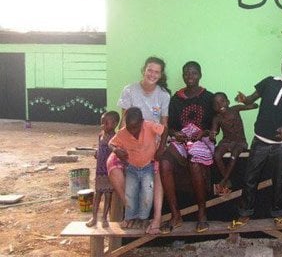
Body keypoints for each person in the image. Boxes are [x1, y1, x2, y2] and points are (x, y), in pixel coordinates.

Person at [228, 52, 282, 230]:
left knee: (279, 180)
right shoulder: (270, 81)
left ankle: (278, 213)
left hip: (281, 144)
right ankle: (245, 212)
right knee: (250, 178)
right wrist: (243, 99)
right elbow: (251, 98)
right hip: (260, 141)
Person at [107, 56, 170, 234]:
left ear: (161, 74)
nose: (152, 74)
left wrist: (161, 148)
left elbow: (164, 124)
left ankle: (155, 218)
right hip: (130, 141)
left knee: (158, 169)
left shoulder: (163, 95)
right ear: (144, 70)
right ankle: (130, 212)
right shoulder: (129, 90)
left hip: (153, 142)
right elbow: (123, 123)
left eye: (157, 71)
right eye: (150, 70)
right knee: (112, 164)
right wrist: (118, 148)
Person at [160, 61, 215, 234]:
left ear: (200, 75)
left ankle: (202, 213)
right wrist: (175, 134)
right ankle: (176, 214)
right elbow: (172, 127)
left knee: (194, 162)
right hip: (182, 140)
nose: (190, 76)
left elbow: (215, 127)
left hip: (202, 140)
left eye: (194, 73)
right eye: (186, 73)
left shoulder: (209, 97)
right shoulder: (176, 99)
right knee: (165, 162)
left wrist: (204, 132)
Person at [109, 107, 164, 229]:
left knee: (147, 194)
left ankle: (144, 218)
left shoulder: (150, 126)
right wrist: (116, 150)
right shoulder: (123, 133)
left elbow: (164, 130)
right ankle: (130, 217)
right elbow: (111, 143)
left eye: (135, 127)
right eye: (129, 127)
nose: (132, 131)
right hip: (132, 169)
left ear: (142, 122)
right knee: (130, 193)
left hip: (148, 168)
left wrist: (161, 148)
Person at [210, 91, 258, 196]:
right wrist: (212, 135)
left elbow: (255, 105)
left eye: (222, 101)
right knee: (216, 155)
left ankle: (224, 180)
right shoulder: (217, 118)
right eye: (216, 104)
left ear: (228, 102)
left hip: (240, 141)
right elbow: (214, 132)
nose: (220, 105)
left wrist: (244, 101)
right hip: (226, 141)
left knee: (234, 154)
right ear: (214, 107)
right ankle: (227, 181)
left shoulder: (235, 109)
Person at [86, 111, 119, 228]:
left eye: (106, 123)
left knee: (108, 195)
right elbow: (99, 147)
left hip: (109, 171)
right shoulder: (101, 135)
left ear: (115, 124)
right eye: (102, 123)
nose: (103, 125)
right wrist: (97, 152)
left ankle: (104, 218)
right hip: (100, 170)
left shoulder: (116, 138)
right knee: (97, 194)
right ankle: (94, 217)